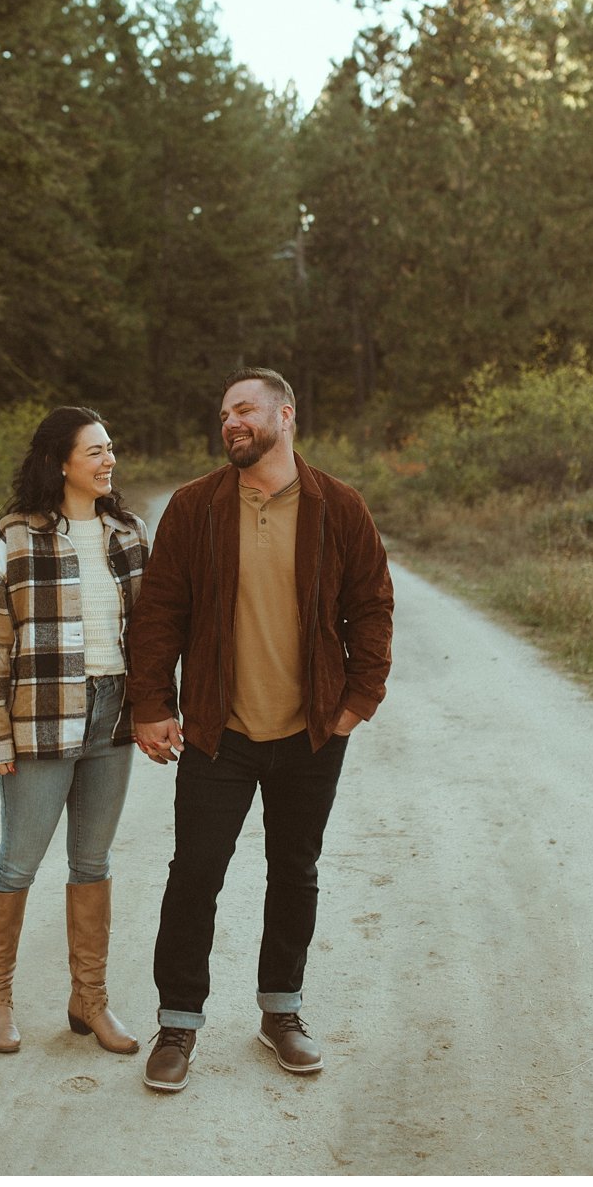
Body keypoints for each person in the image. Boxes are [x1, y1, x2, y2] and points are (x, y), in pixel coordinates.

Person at [128, 366, 393, 1093]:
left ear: (286, 414)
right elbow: (160, 615)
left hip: (311, 730)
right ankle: (178, 1020)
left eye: (245, 408)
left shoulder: (338, 505)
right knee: (195, 875)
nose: (231, 422)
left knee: (295, 871)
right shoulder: (194, 508)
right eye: (223, 414)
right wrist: (151, 704)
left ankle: (282, 1011)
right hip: (221, 730)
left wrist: (357, 699)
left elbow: (371, 605)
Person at [0, 406, 148, 1057]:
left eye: (111, 449)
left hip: (112, 718)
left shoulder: (128, 533)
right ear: (61, 461)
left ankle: (89, 999)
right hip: (40, 720)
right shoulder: (15, 537)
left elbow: (152, 636)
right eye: (95, 450)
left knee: (92, 862)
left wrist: (159, 708)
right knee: (18, 863)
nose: (109, 461)